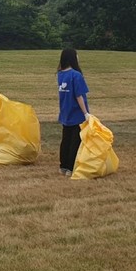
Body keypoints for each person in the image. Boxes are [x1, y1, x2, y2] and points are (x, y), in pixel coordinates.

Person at [57, 48, 90, 176]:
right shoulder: (76, 75)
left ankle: (63, 166)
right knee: (75, 141)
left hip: (65, 112)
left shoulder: (61, 74)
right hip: (77, 113)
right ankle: (71, 167)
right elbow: (79, 96)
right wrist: (86, 113)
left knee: (66, 140)